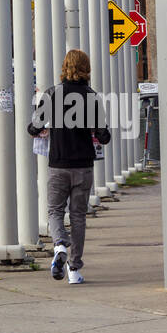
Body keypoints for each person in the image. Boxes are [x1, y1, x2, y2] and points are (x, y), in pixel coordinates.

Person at [28, 48, 111, 284]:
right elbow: (104, 135)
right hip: (83, 166)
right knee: (78, 217)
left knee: (55, 211)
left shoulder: (52, 94)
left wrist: (45, 128)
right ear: (87, 68)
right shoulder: (92, 96)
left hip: (58, 164)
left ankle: (59, 245)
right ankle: (74, 270)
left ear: (65, 67)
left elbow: (33, 127)